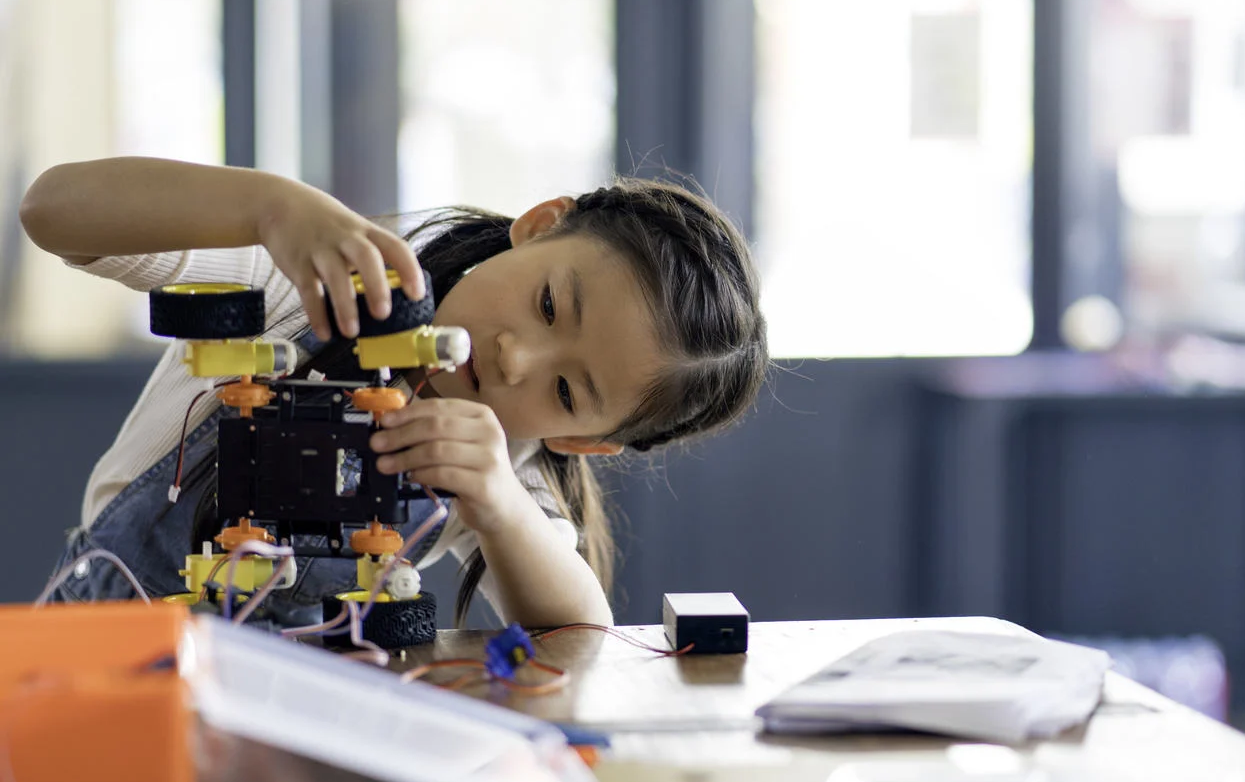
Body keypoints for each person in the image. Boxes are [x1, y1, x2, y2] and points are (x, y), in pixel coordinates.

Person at [20, 157, 768, 628]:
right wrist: (267, 208)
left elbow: (581, 623)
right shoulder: (308, 284)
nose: (515, 358)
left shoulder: (505, 456)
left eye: (567, 391)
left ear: (581, 441)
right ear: (541, 226)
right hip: (106, 651)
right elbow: (51, 211)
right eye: (546, 305)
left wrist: (500, 505)